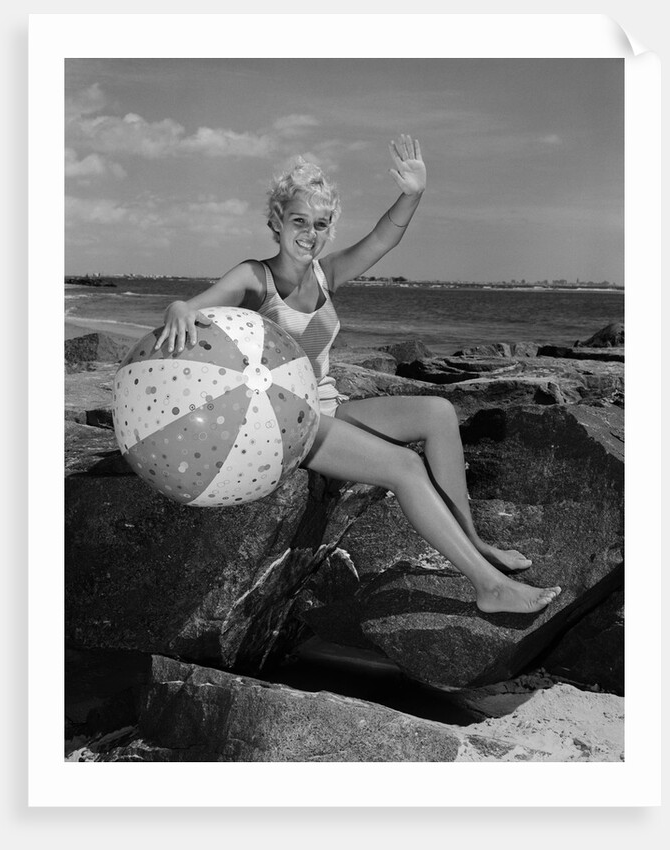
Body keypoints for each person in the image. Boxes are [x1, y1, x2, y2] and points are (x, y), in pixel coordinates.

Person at [155, 134, 561, 615]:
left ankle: (473, 541)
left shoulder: (325, 273)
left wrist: (413, 193)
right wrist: (178, 305)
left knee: (439, 412)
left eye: (320, 224)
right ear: (276, 222)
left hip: (325, 404)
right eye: (299, 221)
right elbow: (190, 309)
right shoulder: (253, 277)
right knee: (403, 467)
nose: (310, 233)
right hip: (283, 423)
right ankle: (488, 586)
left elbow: (384, 238)